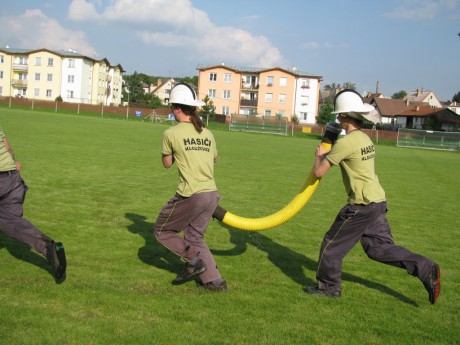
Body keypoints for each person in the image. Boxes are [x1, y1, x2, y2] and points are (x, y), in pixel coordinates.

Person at [304, 89, 440, 304]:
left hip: (361, 205)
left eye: (339, 116)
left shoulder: (346, 143)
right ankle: (425, 267)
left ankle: (329, 287)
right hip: (378, 202)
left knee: (332, 244)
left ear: (345, 116)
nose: (338, 119)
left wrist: (319, 156)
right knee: (379, 249)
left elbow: (319, 171)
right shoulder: (364, 139)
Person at [154, 83, 227, 292]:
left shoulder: (171, 133)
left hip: (191, 194)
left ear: (177, 108)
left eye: (171, 108)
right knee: (195, 237)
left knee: (162, 230)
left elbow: (167, 164)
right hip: (211, 194)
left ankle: (194, 260)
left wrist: (178, 152)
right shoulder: (208, 133)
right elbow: (214, 159)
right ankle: (214, 281)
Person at [0, 127, 66, 282]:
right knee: (12, 222)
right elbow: (8, 149)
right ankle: (50, 249)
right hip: (12, 178)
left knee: (8, 221)